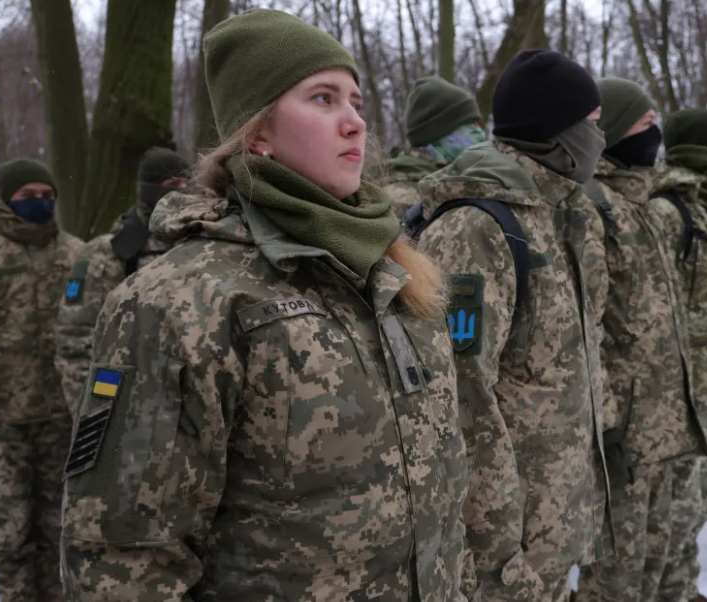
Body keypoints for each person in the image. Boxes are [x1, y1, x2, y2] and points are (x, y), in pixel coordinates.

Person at [60, 9, 470, 600]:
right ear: (257, 133)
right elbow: (122, 560)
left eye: (355, 101)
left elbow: (442, 493)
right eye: (324, 99)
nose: (355, 123)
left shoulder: (393, 271)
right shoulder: (182, 299)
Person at [415, 50, 610, 602]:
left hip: (555, 517)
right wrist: (498, 556)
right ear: (557, 131)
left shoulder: (560, 214)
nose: (602, 138)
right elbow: (459, 404)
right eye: (593, 125)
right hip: (505, 545)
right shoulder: (476, 230)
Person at [574, 77, 707, 602]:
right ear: (609, 130)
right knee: (618, 570)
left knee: (655, 552)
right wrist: (606, 422)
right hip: (623, 431)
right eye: (645, 123)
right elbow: (587, 328)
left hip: (663, 420)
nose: (655, 134)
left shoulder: (641, 207)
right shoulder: (592, 208)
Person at [646, 108, 707, 602]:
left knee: (697, 502)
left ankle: (681, 587)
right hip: (683, 399)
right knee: (676, 508)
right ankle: (666, 590)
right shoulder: (668, 210)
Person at [0, 158, 83, 602]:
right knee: (9, 536)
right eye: (28, 198)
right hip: (2, 424)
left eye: (46, 196)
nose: (40, 204)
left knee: (57, 531)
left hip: (61, 418)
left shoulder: (76, 254)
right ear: (7, 200)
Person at [55, 147, 190, 416]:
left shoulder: (207, 243)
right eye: (173, 184)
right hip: (129, 403)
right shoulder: (107, 253)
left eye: (190, 183)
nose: (185, 191)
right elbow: (77, 341)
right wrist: (96, 413)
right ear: (148, 189)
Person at [383, 76, 484, 217]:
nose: (480, 132)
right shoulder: (404, 198)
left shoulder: (447, 183)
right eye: (471, 124)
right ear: (440, 134)